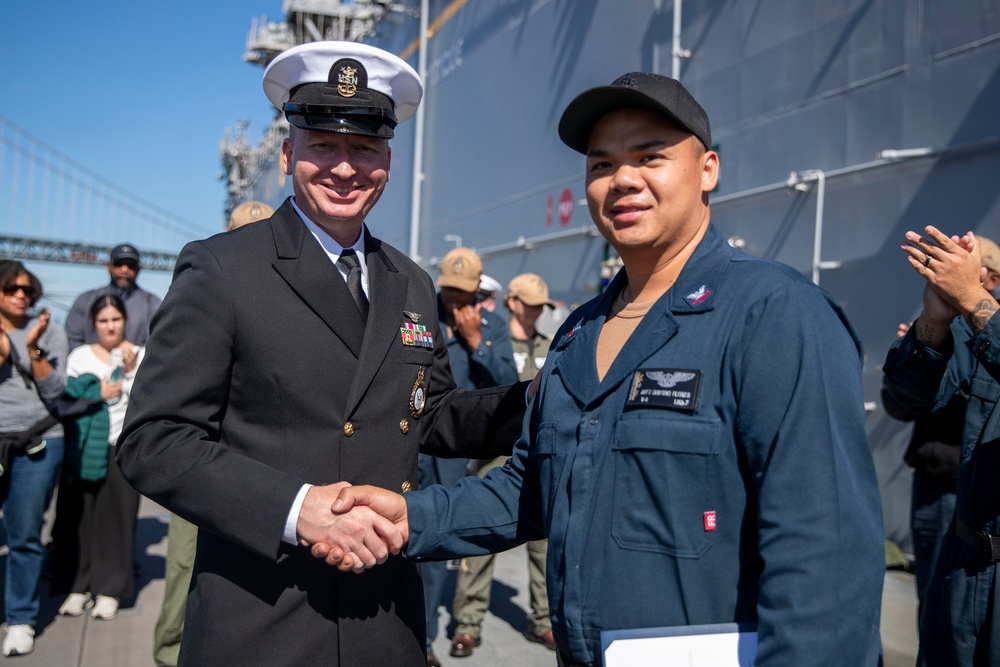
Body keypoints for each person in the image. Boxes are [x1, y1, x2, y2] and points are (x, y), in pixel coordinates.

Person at [324, 71, 886, 666]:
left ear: (708, 171)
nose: (622, 180)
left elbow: (826, 558)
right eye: (601, 165)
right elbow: (533, 488)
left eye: (651, 157)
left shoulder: (774, 316)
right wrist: (411, 516)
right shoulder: (577, 333)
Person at [116, 41, 528, 666]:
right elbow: (154, 438)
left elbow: (432, 411)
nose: (345, 168)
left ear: (387, 158)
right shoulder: (225, 268)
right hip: (261, 617)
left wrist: (548, 398)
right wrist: (295, 508)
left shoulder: (410, 281)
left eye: (364, 148)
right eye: (324, 146)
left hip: (385, 617)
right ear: (288, 154)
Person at [152, 200, 274, 667]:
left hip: (264, 467)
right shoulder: (213, 280)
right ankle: (168, 655)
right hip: (207, 462)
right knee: (186, 567)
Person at [883, 229, 1000, 665]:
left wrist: (972, 298)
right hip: (964, 549)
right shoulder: (972, 331)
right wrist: (932, 324)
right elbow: (906, 400)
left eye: (982, 275)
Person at [450, 272, 557, 658]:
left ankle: (543, 620)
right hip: (497, 453)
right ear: (512, 301)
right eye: (528, 303)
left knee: (544, 545)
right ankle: (468, 623)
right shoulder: (494, 341)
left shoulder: (551, 344)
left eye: (540, 307)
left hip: (542, 456)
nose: (534, 312)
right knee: (481, 539)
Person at [419, 248, 517, 664]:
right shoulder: (422, 317)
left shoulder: (492, 326)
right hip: (417, 443)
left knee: (434, 544)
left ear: (478, 292)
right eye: (449, 293)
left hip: (458, 454)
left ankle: (422, 641)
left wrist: (477, 341)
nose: (455, 302)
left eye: (463, 295)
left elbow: (510, 387)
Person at [52, 294, 144, 621]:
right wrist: (98, 395)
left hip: (121, 446)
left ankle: (109, 590)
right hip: (83, 447)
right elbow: (65, 401)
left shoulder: (140, 354)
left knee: (116, 521)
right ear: (94, 323)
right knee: (80, 520)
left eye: (115, 320)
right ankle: (77, 586)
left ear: (125, 321)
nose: (110, 326)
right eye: (103, 320)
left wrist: (131, 372)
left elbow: (146, 404)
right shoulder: (78, 356)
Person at [0, 259, 68, 657]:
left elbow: (57, 391)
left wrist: (30, 348)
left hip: (39, 441)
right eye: (11, 288)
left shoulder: (50, 331)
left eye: (27, 289)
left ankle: (21, 619)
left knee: (25, 534)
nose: (20, 295)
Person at [881, 321, 965, 615]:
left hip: (966, 483)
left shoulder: (986, 326)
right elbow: (898, 407)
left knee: (951, 600)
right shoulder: (936, 321)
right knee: (933, 597)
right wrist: (915, 359)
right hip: (932, 483)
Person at [64, 244, 162, 349]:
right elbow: (71, 342)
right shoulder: (85, 300)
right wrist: (98, 359)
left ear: (138, 269)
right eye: (118, 264)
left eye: (131, 265)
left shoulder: (152, 303)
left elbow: (156, 346)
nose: (124, 269)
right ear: (109, 267)